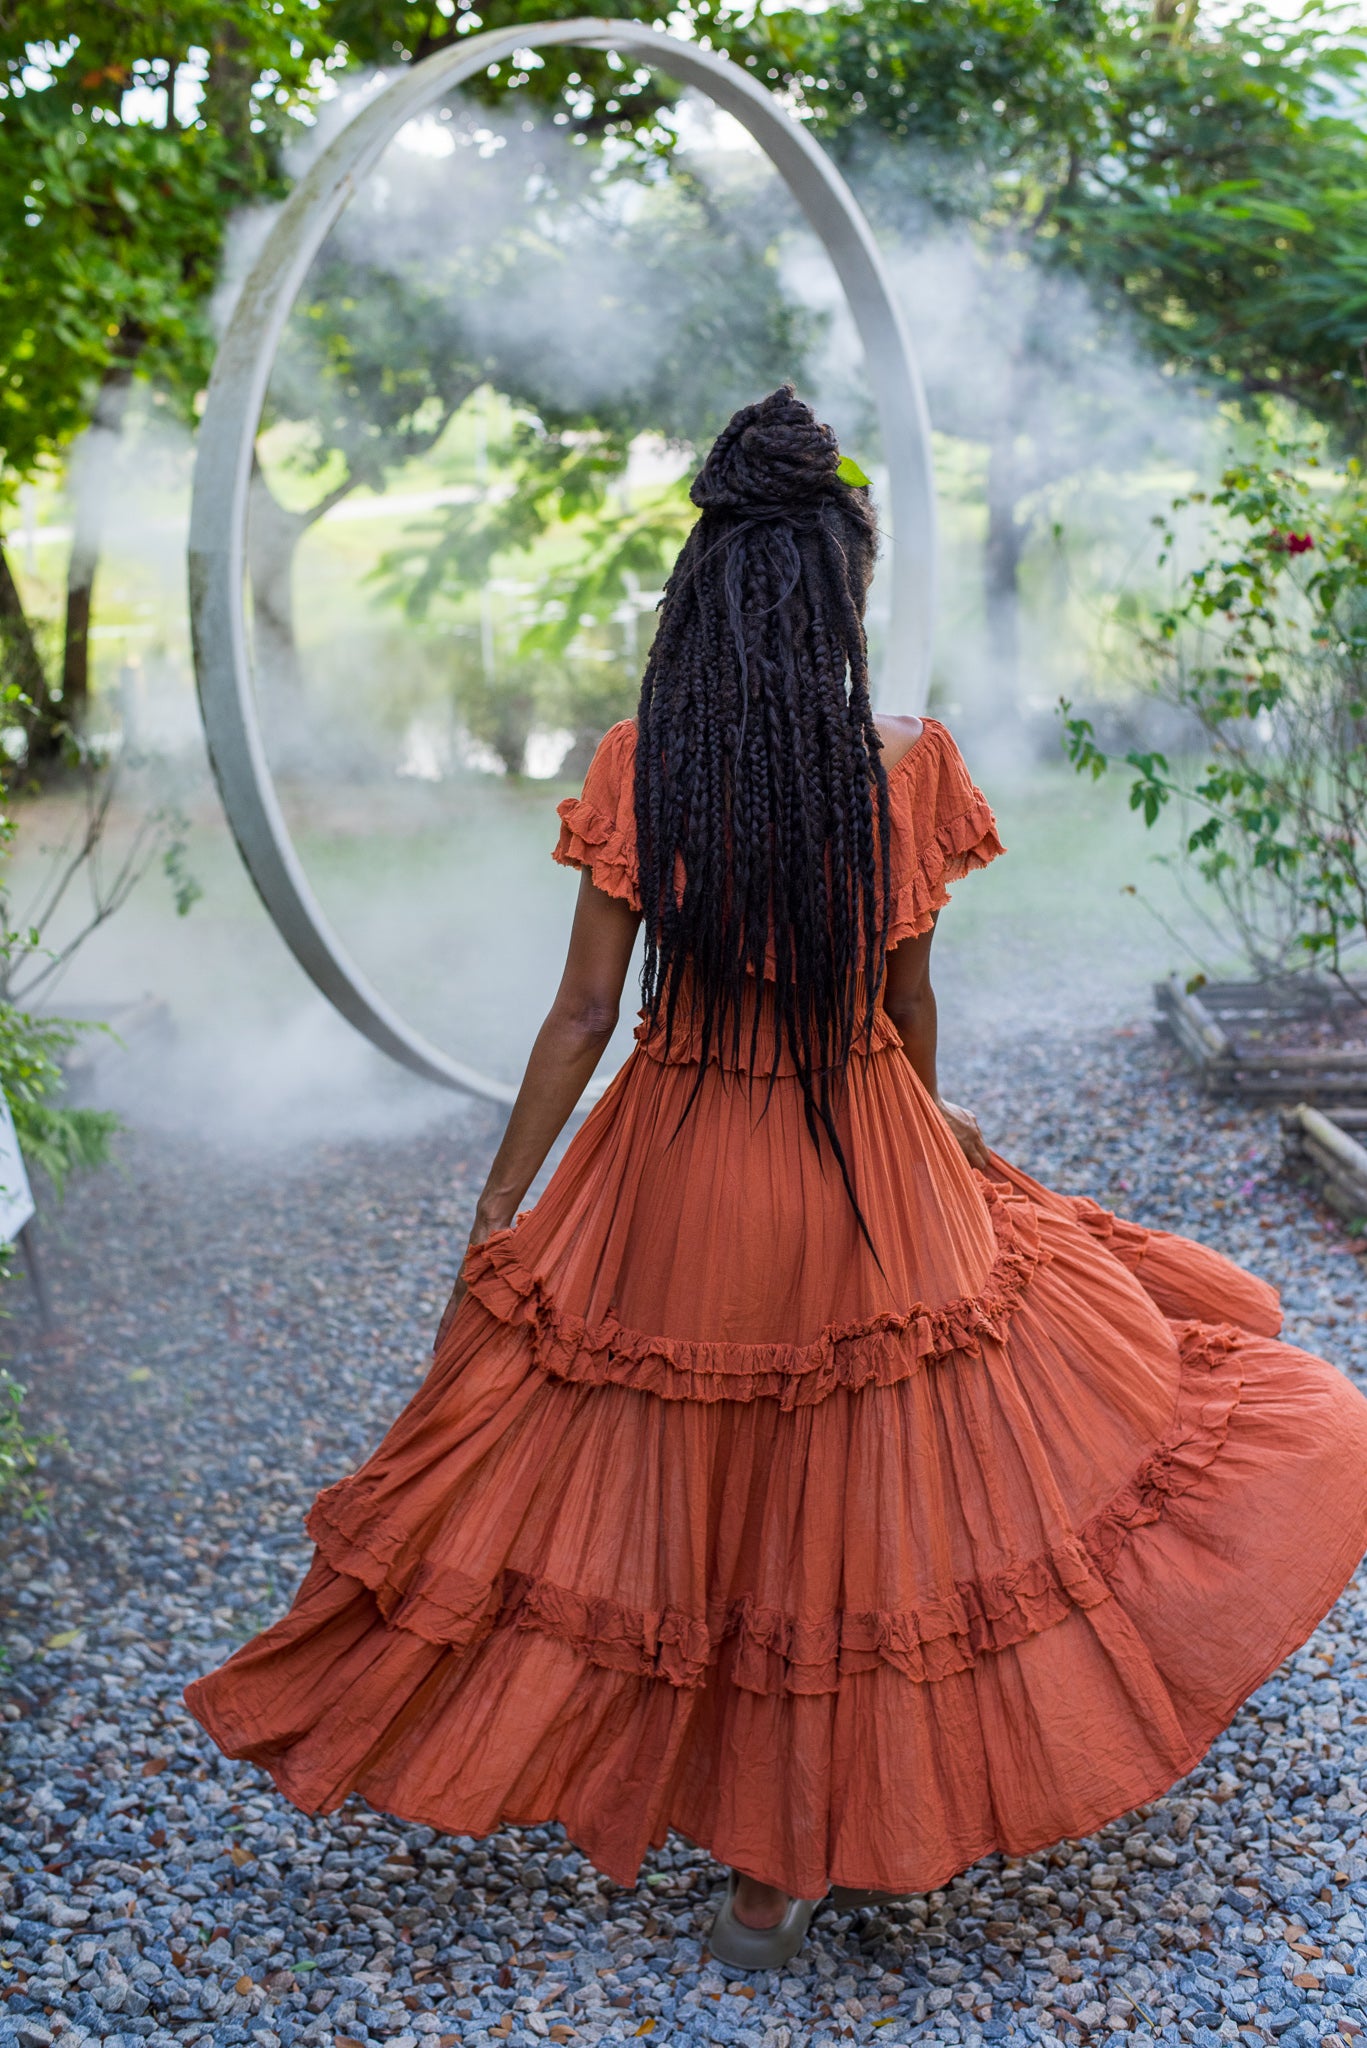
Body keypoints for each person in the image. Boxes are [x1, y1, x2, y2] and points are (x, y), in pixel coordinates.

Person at [186, 386, 1367, 1970]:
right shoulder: (906, 766)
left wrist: (501, 1205)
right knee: (876, 1504)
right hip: (860, 1156)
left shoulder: (640, 764)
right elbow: (907, 1003)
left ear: (704, 590)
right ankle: (820, 1846)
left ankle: (745, 1860)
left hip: (674, 1170)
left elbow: (582, 1017)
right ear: (840, 587)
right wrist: (933, 1143)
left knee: (695, 1497)